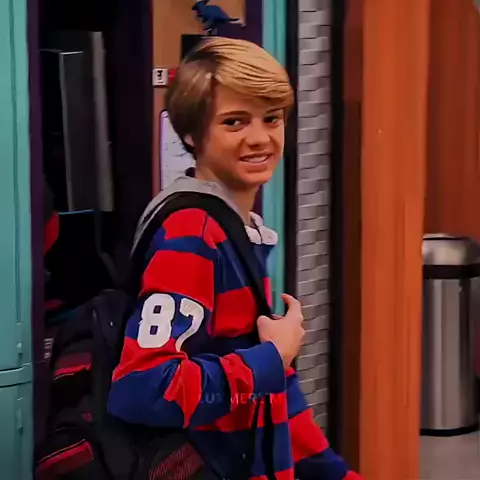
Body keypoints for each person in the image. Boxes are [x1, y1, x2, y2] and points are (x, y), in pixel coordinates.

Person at [107, 37, 361, 480]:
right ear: (191, 134)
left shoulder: (237, 230)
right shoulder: (192, 233)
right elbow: (144, 388)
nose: (260, 138)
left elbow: (276, 401)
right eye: (234, 122)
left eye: (272, 118)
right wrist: (270, 359)